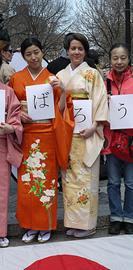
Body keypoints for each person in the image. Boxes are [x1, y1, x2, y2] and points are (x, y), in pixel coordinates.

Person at [9, 37, 74, 244]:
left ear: (43, 52)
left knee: (46, 183)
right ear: (23, 56)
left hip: (47, 136)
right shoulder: (16, 78)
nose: (33, 57)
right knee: (26, 185)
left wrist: (62, 90)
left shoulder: (52, 78)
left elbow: (63, 110)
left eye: (36, 52)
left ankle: (45, 225)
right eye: (28, 54)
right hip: (26, 136)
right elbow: (10, 107)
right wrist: (18, 115)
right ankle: (29, 226)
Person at [57, 33, 109, 238]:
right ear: (67, 51)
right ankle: (73, 223)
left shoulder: (93, 74)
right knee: (68, 180)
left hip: (86, 132)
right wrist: (62, 92)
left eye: (80, 48)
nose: (76, 52)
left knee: (87, 179)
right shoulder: (61, 75)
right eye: (73, 48)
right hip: (67, 133)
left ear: (85, 51)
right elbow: (56, 106)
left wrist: (94, 126)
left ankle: (88, 224)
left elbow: (100, 101)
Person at [102, 43, 133, 235]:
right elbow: (97, 111)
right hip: (112, 139)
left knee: (131, 181)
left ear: (128, 59)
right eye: (115, 58)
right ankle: (115, 216)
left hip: (132, 140)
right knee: (113, 181)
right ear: (110, 60)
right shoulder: (103, 83)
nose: (119, 61)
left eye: (123, 57)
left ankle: (130, 217)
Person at [0, 83, 23, 247]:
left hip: (1, 144)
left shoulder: (7, 92)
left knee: (1, 189)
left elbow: (15, 116)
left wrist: (11, 127)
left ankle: (0, 232)